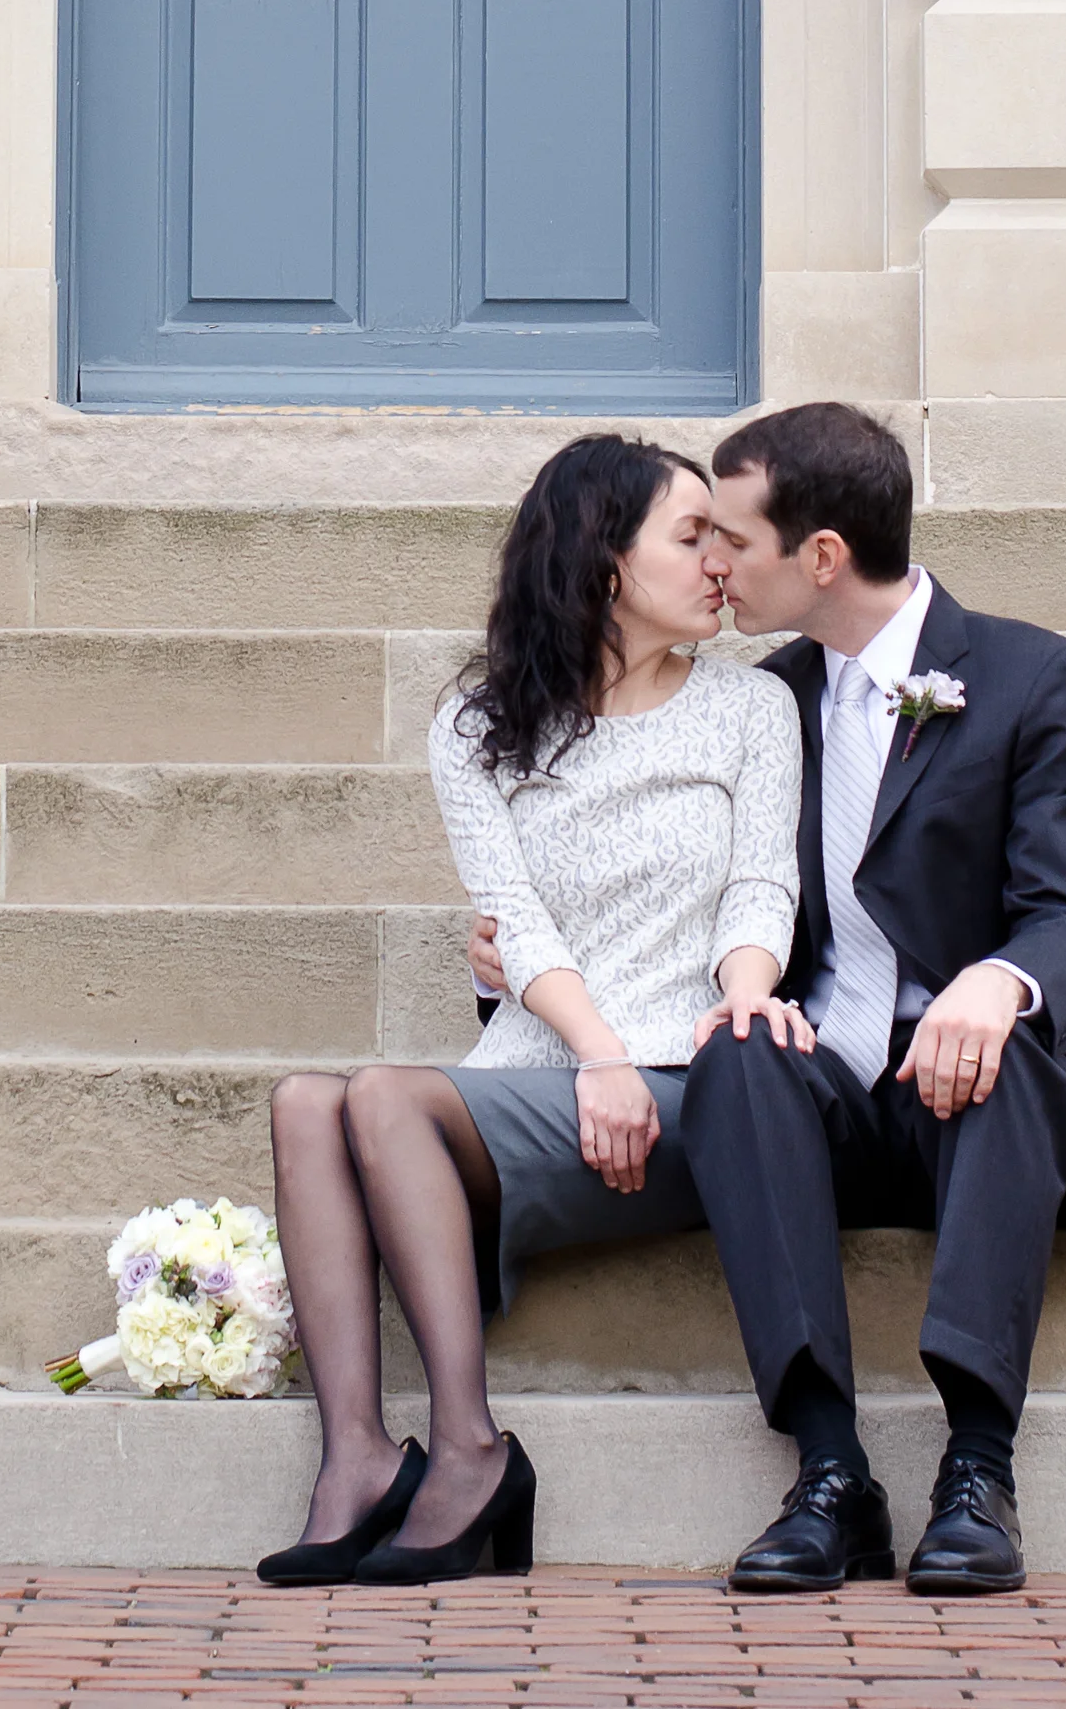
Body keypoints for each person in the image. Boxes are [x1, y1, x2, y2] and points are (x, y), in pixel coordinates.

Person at [471, 399, 1066, 1600]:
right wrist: (514, 966)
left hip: (983, 1095)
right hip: (821, 1092)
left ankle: (977, 1470)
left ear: (819, 556)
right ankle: (832, 1476)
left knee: (1003, 1058)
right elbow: (697, 893)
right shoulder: (762, 698)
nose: (712, 561)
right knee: (739, 1050)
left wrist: (995, 981)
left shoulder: (1038, 678)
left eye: (730, 535)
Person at [260, 431, 804, 1589]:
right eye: (690, 533)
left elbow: (764, 885)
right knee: (306, 1104)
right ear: (604, 558)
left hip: (683, 1077)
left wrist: (738, 1002)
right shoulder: (478, 721)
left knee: (381, 1099)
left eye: (722, 534)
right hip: (553, 1066)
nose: (720, 560)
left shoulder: (752, 709)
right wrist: (593, 1052)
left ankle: (468, 1446)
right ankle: (355, 1454)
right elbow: (516, 921)